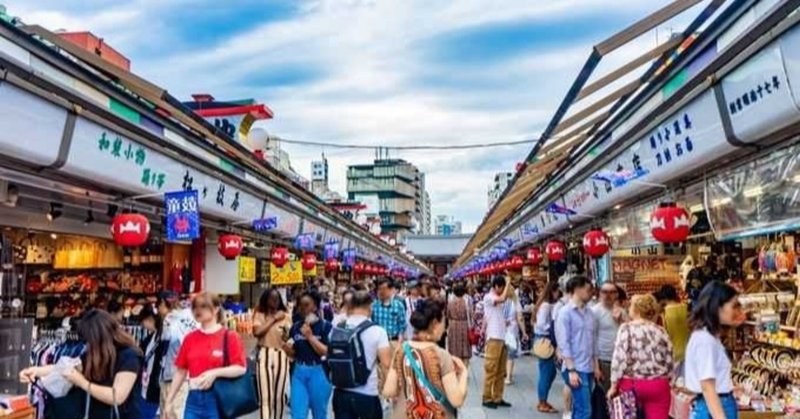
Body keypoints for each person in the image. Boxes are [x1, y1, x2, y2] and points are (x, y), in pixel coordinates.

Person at [20, 309, 144, 419]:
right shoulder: (95, 354)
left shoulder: (130, 356)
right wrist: (36, 371)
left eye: (89, 339)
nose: (87, 344)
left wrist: (82, 382)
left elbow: (117, 396)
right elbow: (67, 368)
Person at [383, 299, 469, 418]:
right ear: (435, 324)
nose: (444, 328)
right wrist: (463, 373)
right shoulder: (441, 355)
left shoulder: (401, 350)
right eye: (443, 322)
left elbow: (388, 391)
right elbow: (457, 400)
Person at [166, 292, 247, 419]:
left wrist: (214, 373)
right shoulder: (190, 338)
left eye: (203, 306)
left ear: (215, 309)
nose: (198, 311)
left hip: (218, 397)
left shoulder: (229, 336)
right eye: (195, 307)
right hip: (193, 396)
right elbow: (181, 371)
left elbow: (241, 368)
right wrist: (169, 400)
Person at [607, 294, 674, 418]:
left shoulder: (626, 328)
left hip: (632, 383)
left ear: (636, 310)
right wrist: (669, 379)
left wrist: (613, 385)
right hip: (658, 384)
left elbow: (619, 359)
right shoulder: (661, 330)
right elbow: (669, 359)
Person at [684, 281, 742, 419]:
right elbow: (707, 387)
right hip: (715, 407)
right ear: (718, 307)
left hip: (715, 404)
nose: (737, 311)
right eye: (734, 306)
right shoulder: (705, 340)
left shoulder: (708, 338)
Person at [332, 290, 392, 419]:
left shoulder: (338, 327)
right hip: (367, 394)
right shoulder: (378, 331)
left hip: (341, 393)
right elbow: (386, 364)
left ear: (351, 306)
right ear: (370, 306)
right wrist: (390, 393)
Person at [555, 275, 599, 419]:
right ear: (577, 289)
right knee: (585, 410)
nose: (591, 292)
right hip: (575, 367)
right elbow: (564, 343)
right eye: (588, 289)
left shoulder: (590, 313)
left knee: (580, 408)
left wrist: (596, 366)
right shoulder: (565, 313)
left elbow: (593, 341)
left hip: (588, 366)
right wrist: (571, 370)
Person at [283, 291, 333, 419]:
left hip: (319, 371)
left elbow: (327, 352)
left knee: (319, 413)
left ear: (315, 307)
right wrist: (287, 349)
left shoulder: (325, 327)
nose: (302, 309)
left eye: (306, 305)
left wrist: (310, 337)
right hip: (299, 372)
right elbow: (294, 353)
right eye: (300, 305)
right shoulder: (295, 327)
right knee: (297, 414)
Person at [156, 290, 196, 419]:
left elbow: (166, 343)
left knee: (169, 414)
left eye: (158, 305)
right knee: (176, 413)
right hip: (186, 374)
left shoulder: (170, 320)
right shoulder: (191, 317)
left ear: (163, 303)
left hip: (171, 372)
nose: (157, 309)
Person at [253, 288, 292, 419]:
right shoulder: (260, 315)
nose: (275, 301)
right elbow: (257, 332)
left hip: (281, 354)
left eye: (277, 298)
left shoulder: (286, 317)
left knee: (279, 397)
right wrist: (274, 319)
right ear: (266, 299)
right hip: (264, 353)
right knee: (265, 397)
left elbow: (288, 338)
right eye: (272, 298)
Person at [481, 275, 513, 409]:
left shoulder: (496, 299)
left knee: (500, 371)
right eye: (501, 287)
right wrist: (508, 283)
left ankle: (498, 397)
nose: (503, 290)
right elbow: (502, 298)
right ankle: (487, 397)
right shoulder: (489, 297)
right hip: (494, 338)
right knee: (491, 370)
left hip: (501, 337)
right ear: (496, 287)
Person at [591, 282, 627, 392]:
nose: (608, 295)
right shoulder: (595, 312)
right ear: (599, 294)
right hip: (604, 359)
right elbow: (592, 339)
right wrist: (596, 367)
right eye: (605, 292)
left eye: (612, 292)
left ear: (617, 294)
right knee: (606, 393)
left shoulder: (621, 311)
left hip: (620, 358)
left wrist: (621, 320)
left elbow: (628, 331)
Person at [533, 281, 561, 414]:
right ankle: (542, 401)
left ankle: (543, 399)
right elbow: (541, 324)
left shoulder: (546, 305)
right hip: (544, 339)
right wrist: (553, 327)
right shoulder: (545, 306)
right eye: (557, 291)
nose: (558, 294)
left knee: (549, 371)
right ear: (552, 291)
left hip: (543, 339)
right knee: (547, 371)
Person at [655, 285, 690, 364]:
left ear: (663, 296)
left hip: (673, 352)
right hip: (688, 350)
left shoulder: (664, 313)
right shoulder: (685, 307)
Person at [138, 305, 162, 419]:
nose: (143, 326)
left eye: (143, 323)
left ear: (149, 319)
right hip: (146, 384)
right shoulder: (150, 338)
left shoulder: (162, 337)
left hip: (154, 385)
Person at [504, 284, 528, 385]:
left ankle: (504, 372)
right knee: (510, 355)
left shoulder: (500, 301)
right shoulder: (516, 302)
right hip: (512, 330)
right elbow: (520, 318)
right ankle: (509, 377)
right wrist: (524, 332)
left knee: (504, 353)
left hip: (501, 330)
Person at [372, 278, 407, 347]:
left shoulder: (399, 306)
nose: (381, 292)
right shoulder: (374, 306)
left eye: (384, 289)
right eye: (379, 289)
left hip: (393, 341)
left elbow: (402, 326)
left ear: (391, 290)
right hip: (377, 342)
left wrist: (399, 343)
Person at [446, 284, 472, 367]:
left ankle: (456, 368)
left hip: (453, 326)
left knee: (454, 348)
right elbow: (471, 315)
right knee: (465, 349)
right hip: (464, 326)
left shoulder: (450, 302)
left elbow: (448, 314)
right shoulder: (467, 303)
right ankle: (465, 369)